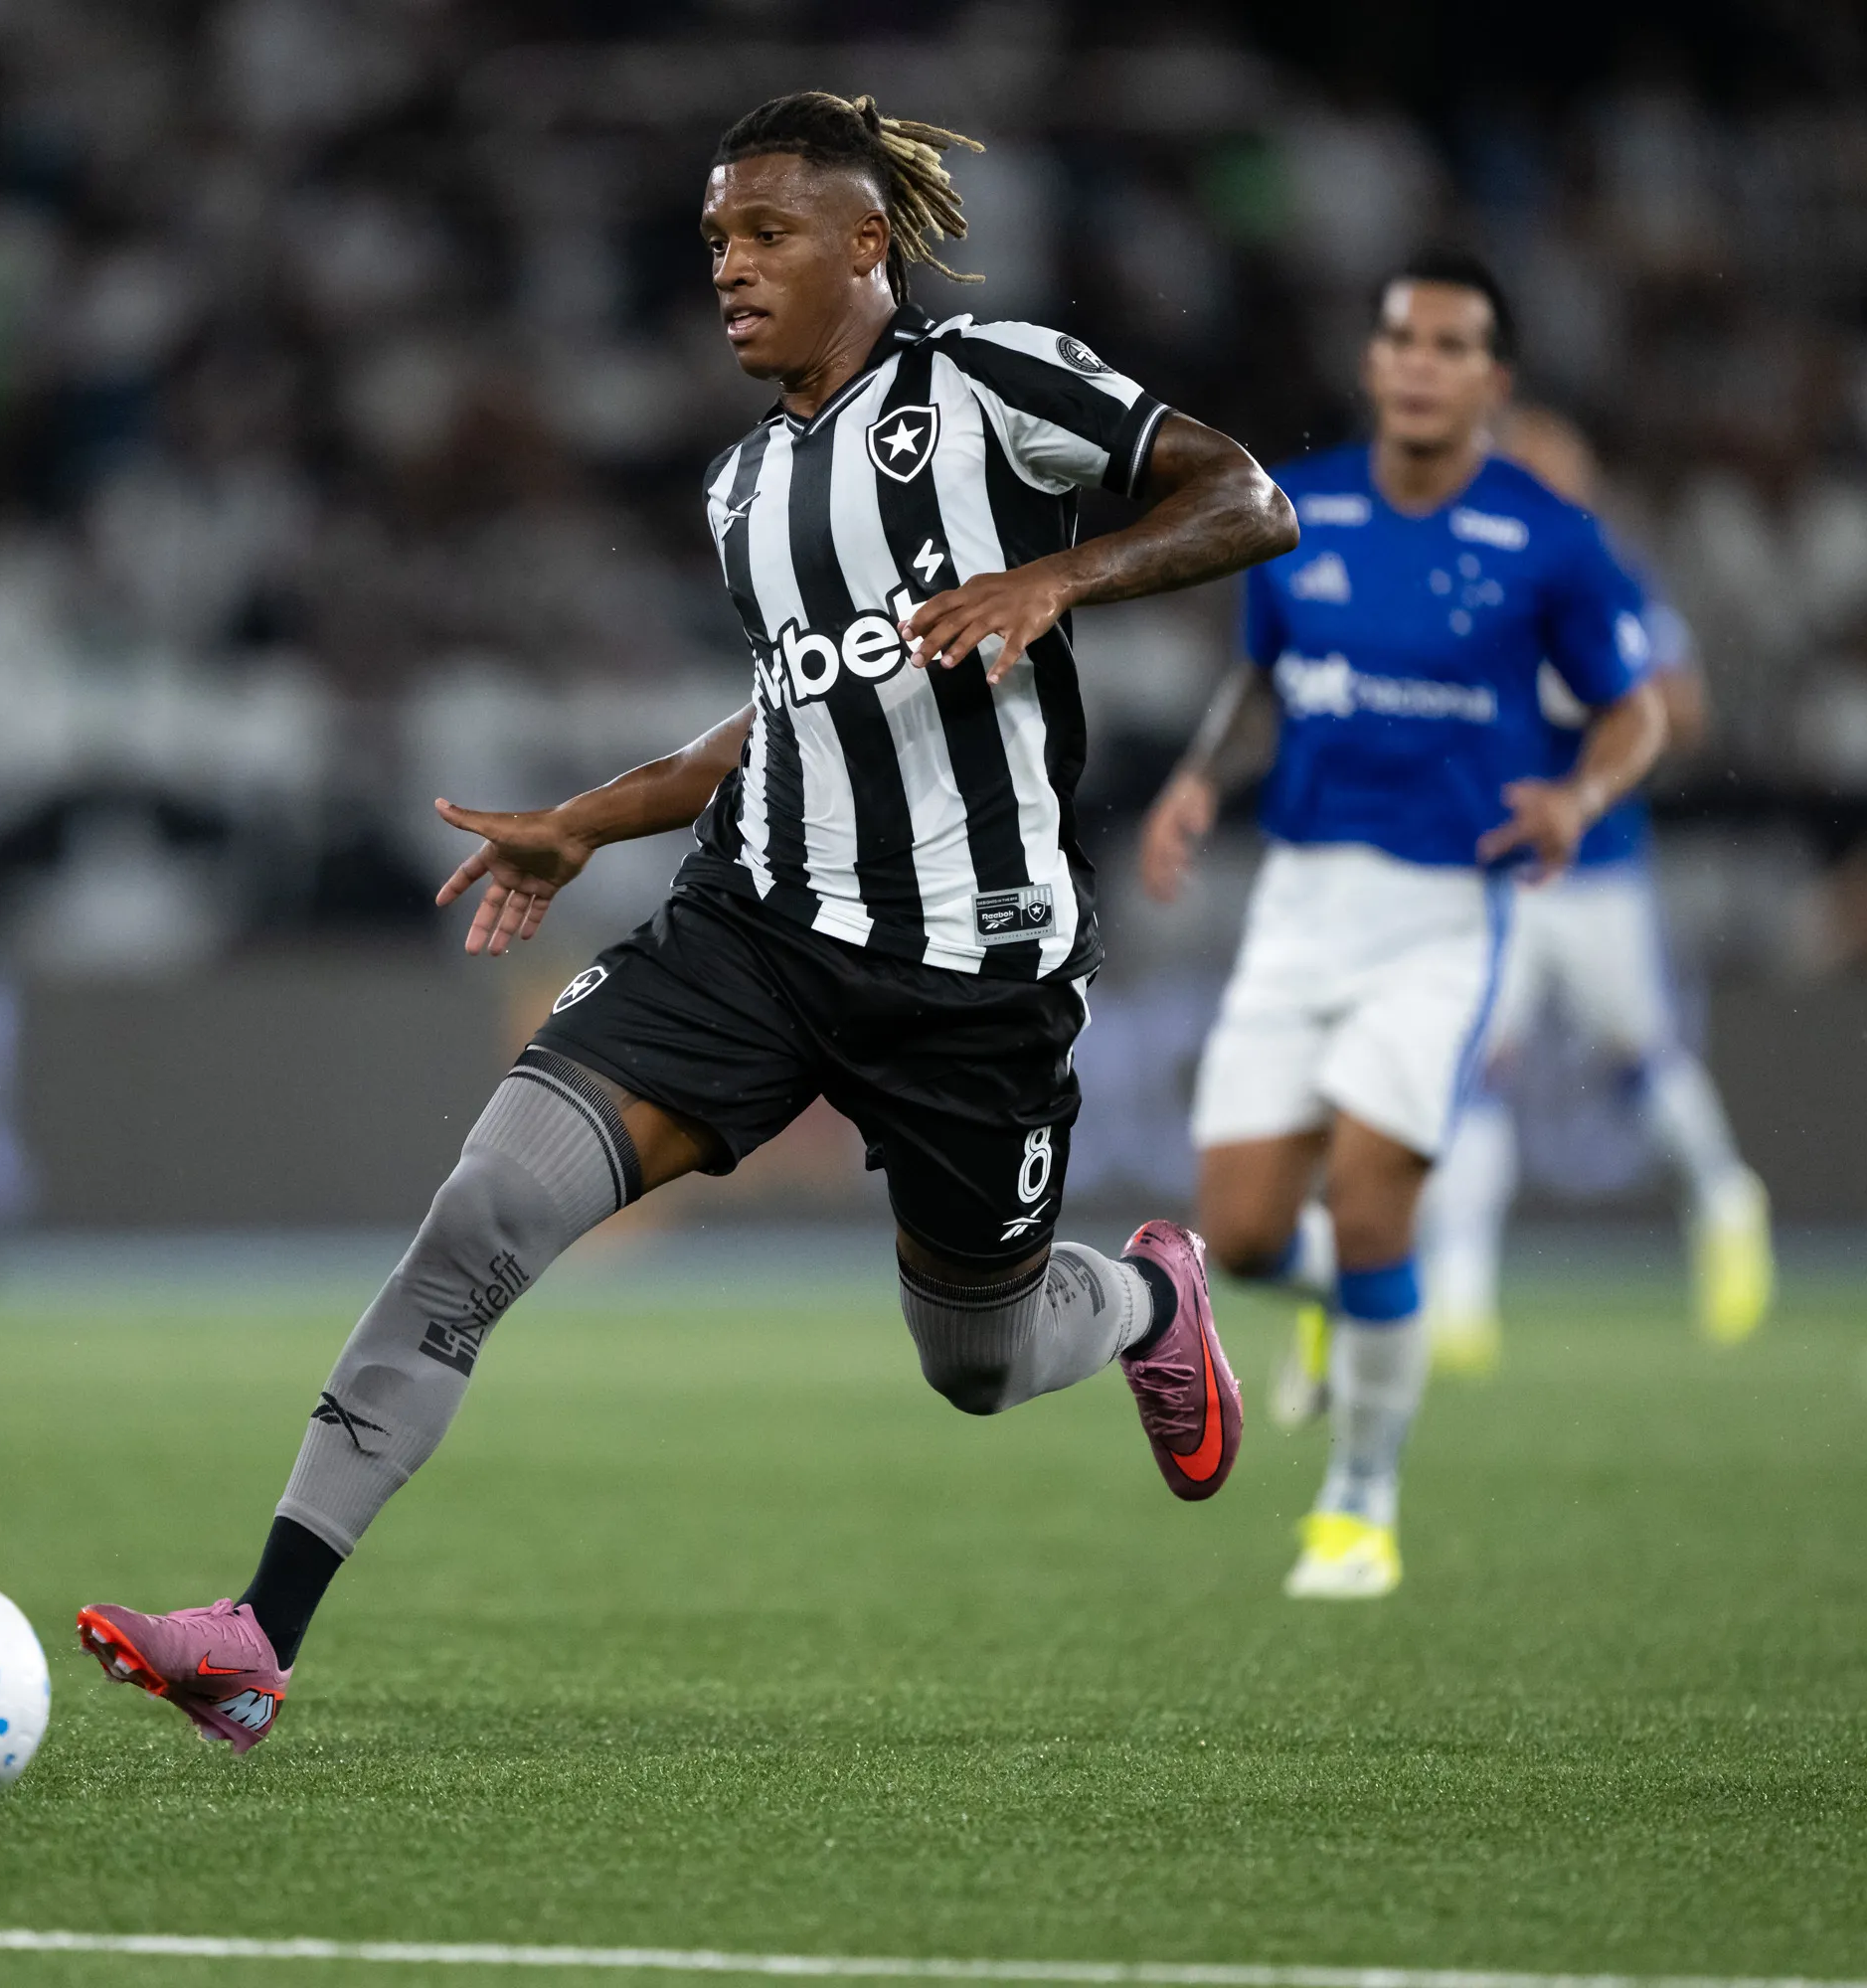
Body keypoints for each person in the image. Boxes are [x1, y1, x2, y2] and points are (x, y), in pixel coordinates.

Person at [76, 90, 1300, 1754]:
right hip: (753, 933)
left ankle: (1154, 1307)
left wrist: (1056, 580)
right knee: (485, 1214)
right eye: (716, 237)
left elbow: (1247, 499)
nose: (728, 266)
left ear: (866, 246)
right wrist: (590, 817)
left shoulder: (993, 382)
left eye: (765, 233)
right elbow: (789, 722)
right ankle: (253, 1635)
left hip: (972, 980)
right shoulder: (742, 491)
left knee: (983, 1360)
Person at [1140, 250, 1667, 1601]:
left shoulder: (1548, 536)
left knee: (1377, 1198)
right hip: (1300, 902)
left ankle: (1360, 1503)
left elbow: (1639, 706)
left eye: (1452, 345)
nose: (1421, 363)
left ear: (1491, 378)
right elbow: (1262, 681)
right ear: (1373, 364)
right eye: (1401, 341)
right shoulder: (1293, 511)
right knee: (1246, 1236)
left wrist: (1583, 792)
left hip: (1446, 909)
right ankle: (1343, 1316)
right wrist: (1200, 782)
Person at [1416, 407, 1772, 1373]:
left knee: (1637, 1056)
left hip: (1597, 867)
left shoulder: (1612, 578)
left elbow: (1682, 712)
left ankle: (1725, 1196)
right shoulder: (1466, 578)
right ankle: (1460, 1292)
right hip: (1496, 866)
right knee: (1477, 1065)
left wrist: (1604, 692)